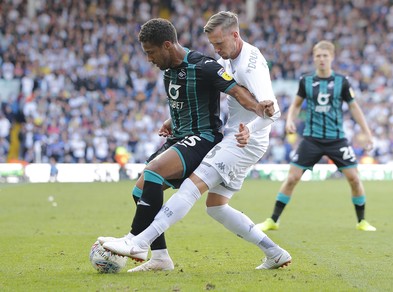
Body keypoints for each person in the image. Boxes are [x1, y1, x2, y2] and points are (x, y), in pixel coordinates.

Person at [104, 11, 291, 270]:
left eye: (219, 44)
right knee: (216, 207)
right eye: (212, 44)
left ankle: (138, 242)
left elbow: (271, 110)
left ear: (235, 35)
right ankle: (275, 253)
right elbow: (211, 90)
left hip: (244, 140)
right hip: (236, 136)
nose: (215, 50)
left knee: (189, 188)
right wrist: (174, 119)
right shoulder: (227, 58)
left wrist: (251, 126)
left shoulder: (250, 64)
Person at [256, 40, 376, 232]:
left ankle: (362, 221)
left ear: (332, 57)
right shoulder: (306, 81)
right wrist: (289, 120)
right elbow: (295, 105)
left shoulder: (342, 82)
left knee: (354, 178)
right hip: (311, 139)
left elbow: (354, 107)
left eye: (325, 56)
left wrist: (367, 132)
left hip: (336, 139)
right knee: (292, 178)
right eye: (318, 56)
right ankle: (273, 220)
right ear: (314, 58)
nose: (321, 59)